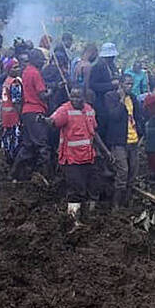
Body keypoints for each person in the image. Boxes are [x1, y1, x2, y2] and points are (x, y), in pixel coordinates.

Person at [45, 87, 109, 224]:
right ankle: (73, 221)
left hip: (89, 156)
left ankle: (89, 218)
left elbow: (94, 133)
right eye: (72, 97)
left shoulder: (90, 110)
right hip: (71, 158)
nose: (75, 100)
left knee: (93, 187)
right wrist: (46, 121)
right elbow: (53, 121)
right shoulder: (65, 110)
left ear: (84, 98)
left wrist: (105, 151)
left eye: (78, 97)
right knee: (76, 189)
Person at [11, 49, 50, 181]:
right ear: (35, 60)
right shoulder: (35, 73)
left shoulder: (26, 71)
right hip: (35, 111)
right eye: (41, 60)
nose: (43, 62)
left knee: (28, 145)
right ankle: (44, 175)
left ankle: (16, 174)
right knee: (42, 145)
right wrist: (55, 89)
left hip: (27, 112)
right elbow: (42, 95)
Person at [104, 74, 143, 208]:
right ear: (120, 84)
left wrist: (141, 133)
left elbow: (138, 116)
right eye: (127, 84)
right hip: (119, 141)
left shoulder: (133, 98)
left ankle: (128, 200)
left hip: (133, 140)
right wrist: (121, 99)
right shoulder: (110, 97)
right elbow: (113, 116)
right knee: (123, 171)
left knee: (133, 171)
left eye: (131, 84)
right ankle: (115, 203)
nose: (130, 87)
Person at [89, 42, 120, 138]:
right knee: (102, 126)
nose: (112, 58)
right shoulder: (97, 67)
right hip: (101, 102)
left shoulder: (112, 66)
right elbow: (93, 85)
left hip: (112, 101)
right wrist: (110, 85)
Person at [1, 58, 22, 162]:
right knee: (14, 139)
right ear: (9, 70)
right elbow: (16, 101)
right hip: (13, 115)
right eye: (15, 68)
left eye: (18, 67)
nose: (18, 69)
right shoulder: (14, 82)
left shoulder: (6, 81)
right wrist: (21, 116)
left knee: (7, 138)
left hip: (5, 115)